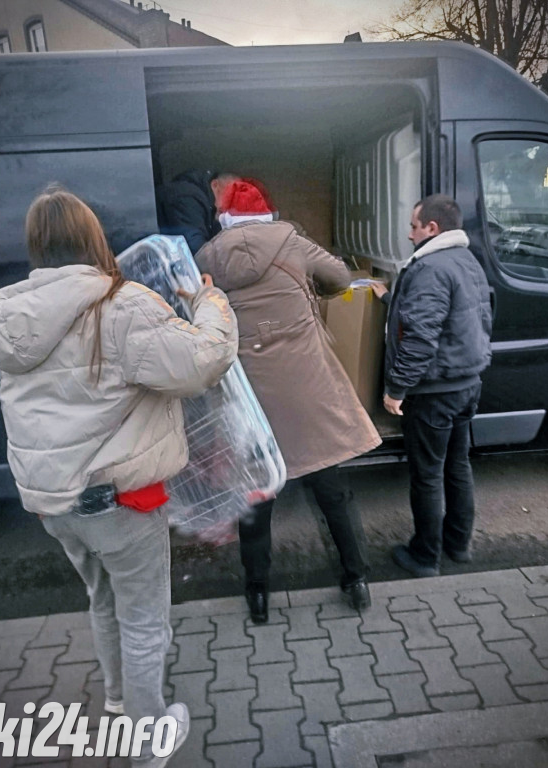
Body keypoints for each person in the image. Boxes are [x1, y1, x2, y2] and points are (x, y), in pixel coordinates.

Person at [0, 186, 238, 767]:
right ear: (92, 238)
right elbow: (203, 361)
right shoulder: (122, 304)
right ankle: (148, 742)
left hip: (53, 504)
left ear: (36, 245)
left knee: (102, 599)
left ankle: (120, 700)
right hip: (122, 502)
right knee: (144, 621)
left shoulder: (3, 316)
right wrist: (211, 303)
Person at [195, 179, 382, 623]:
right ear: (268, 212)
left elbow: (198, 313)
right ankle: (356, 581)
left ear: (223, 217)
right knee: (333, 491)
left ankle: (258, 595)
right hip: (308, 390)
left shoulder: (206, 257)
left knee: (257, 498)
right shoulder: (293, 242)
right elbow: (339, 278)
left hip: (250, 400)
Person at [372, 194, 492, 578]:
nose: (409, 235)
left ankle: (425, 556)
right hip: (465, 383)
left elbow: (421, 336)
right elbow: (460, 317)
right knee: (457, 466)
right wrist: (390, 298)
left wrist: (396, 389)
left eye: (413, 226)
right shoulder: (466, 261)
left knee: (427, 474)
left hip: (435, 391)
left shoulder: (430, 268)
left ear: (432, 228)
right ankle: (458, 545)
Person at [159, 169, 239, 254]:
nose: (231, 201)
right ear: (215, 185)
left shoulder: (209, 205)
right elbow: (195, 249)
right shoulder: (187, 197)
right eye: (230, 195)